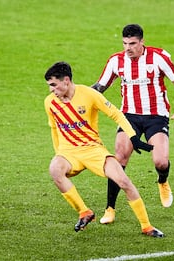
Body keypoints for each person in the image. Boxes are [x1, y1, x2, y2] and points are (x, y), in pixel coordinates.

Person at [44, 61, 164, 237]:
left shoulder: (89, 94)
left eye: (54, 85)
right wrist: (59, 153)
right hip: (68, 153)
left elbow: (116, 113)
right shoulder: (50, 103)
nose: (51, 90)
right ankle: (84, 212)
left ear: (66, 81)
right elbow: (54, 129)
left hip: (94, 150)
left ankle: (146, 226)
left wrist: (133, 137)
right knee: (54, 169)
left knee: (124, 182)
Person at [92, 24, 174, 224]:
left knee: (161, 161)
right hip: (129, 116)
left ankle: (162, 181)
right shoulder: (115, 61)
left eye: (133, 43)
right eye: (125, 43)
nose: (128, 48)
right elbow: (99, 87)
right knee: (119, 158)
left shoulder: (158, 57)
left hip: (156, 116)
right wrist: (77, 96)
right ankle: (110, 208)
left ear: (142, 42)